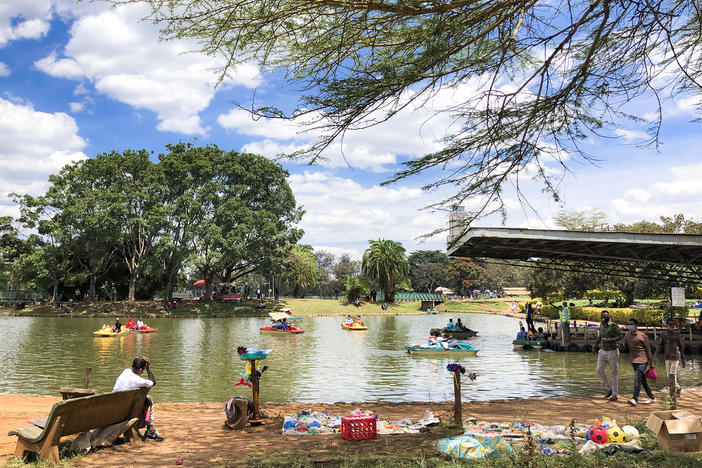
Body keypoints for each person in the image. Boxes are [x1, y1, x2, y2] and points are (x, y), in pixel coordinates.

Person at [113, 356, 163, 441]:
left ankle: (150, 429)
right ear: (142, 370)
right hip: (126, 414)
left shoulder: (125, 371)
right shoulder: (140, 381)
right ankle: (150, 428)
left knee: (144, 398)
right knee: (149, 399)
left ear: (132, 366)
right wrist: (148, 368)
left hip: (113, 411)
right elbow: (153, 382)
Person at [620, 318, 656, 406]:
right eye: (628, 324)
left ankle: (635, 398)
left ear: (636, 325)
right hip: (633, 360)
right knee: (642, 380)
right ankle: (651, 397)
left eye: (631, 324)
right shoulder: (627, 335)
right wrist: (622, 343)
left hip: (643, 360)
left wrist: (652, 363)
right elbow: (623, 345)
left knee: (637, 378)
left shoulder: (642, 336)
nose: (630, 326)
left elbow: (648, 350)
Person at [594, 310, 623, 402]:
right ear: (601, 317)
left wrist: (609, 340)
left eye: (607, 316)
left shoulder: (613, 325)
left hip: (612, 351)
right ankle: (609, 388)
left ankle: (615, 394)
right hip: (602, 350)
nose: (605, 318)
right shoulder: (601, 325)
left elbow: (620, 336)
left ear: (609, 317)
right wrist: (595, 346)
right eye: (603, 316)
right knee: (599, 370)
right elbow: (600, 337)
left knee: (614, 373)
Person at [659, 318, 685, 400]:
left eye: (673, 326)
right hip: (667, 357)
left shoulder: (678, 335)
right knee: (668, 375)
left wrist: (683, 359)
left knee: (672, 374)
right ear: (667, 326)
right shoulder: (664, 334)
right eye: (670, 326)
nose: (672, 327)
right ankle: (678, 387)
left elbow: (681, 347)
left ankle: (672, 392)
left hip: (675, 356)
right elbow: (660, 345)